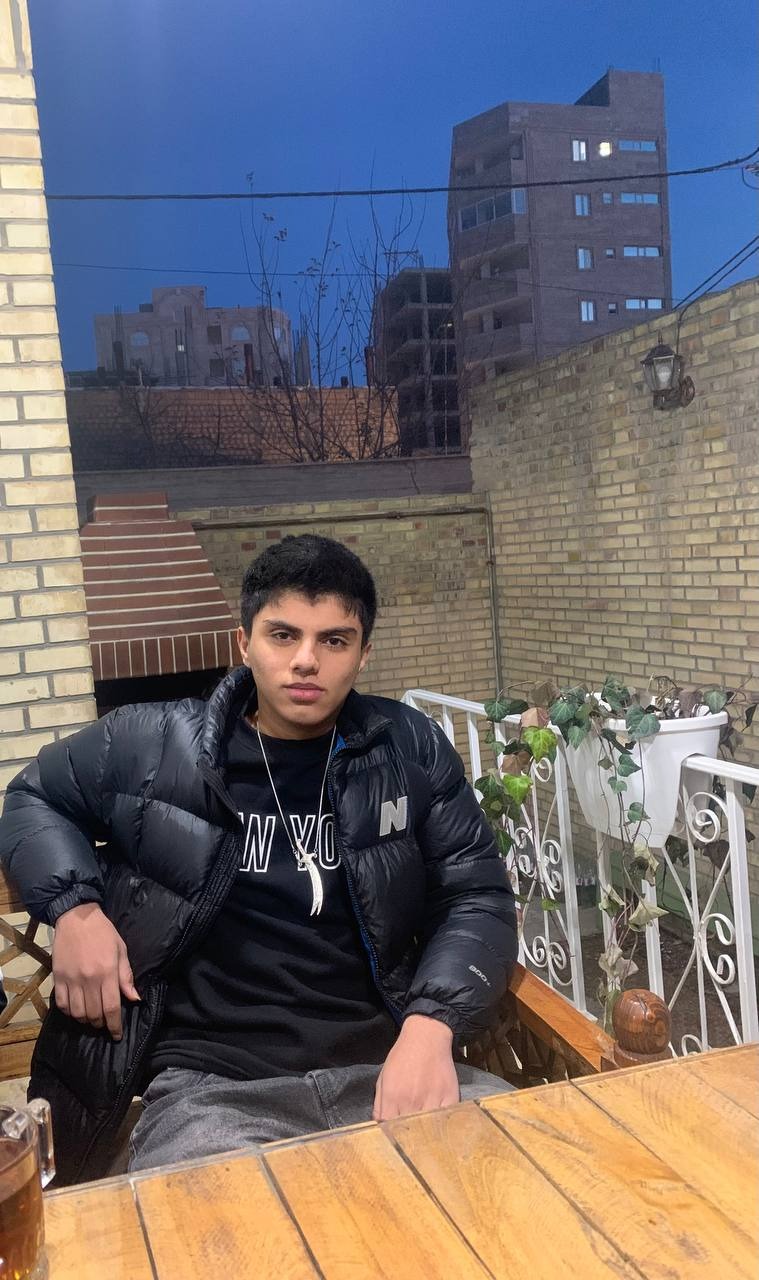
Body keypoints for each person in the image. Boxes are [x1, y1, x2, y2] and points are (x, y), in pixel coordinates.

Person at [0, 535, 517, 1185]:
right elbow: (32, 798)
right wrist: (75, 911)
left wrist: (430, 1027)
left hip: (387, 1066)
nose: (306, 660)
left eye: (334, 640)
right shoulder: (153, 743)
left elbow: (476, 895)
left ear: (363, 653)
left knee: (522, 1181)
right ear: (244, 643)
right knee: (222, 1225)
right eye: (283, 635)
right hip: (216, 1094)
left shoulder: (408, 747)